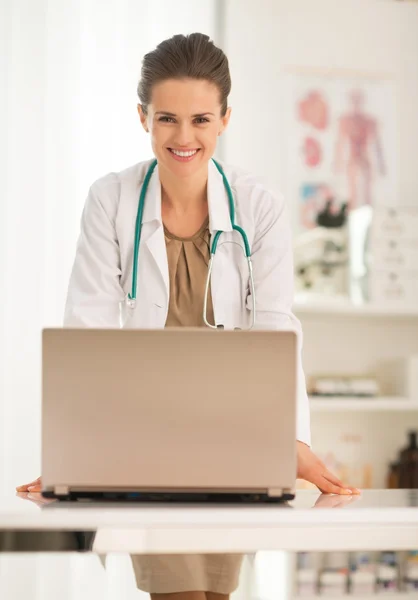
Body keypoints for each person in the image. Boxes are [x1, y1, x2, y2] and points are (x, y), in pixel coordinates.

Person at [17, 32, 360, 600]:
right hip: (147, 435)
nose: (183, 137)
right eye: (167, 118)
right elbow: (88, 330)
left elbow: (278, 328)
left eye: (201, 119)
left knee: (214, 593)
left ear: (225, 118)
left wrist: (287, 441)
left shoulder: (259, 207)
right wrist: (74, 451)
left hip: (235, 435)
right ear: (142, 117)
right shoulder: (112, 200)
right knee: (177, 593)